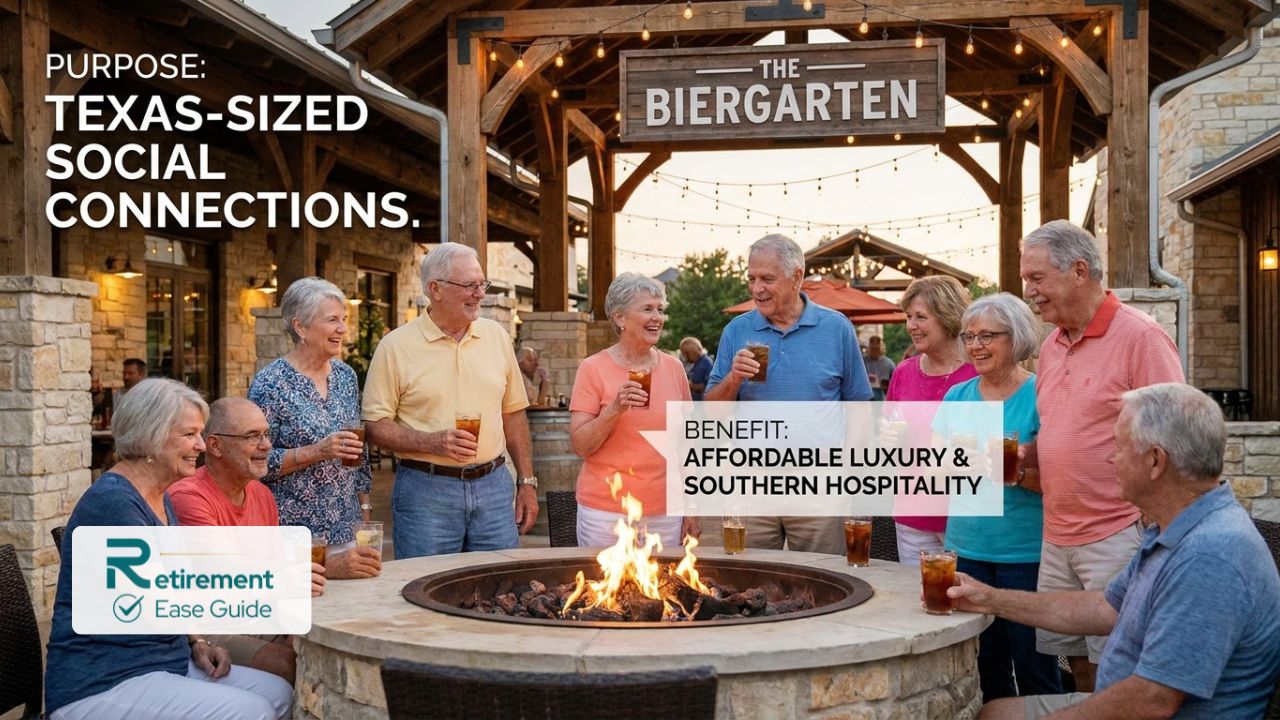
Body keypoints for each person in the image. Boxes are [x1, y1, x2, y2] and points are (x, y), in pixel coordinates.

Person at [951, 383, 1280, 719]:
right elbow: (1104, 606)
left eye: (1119, 447)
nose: (1109, 457)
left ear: (1155, 461)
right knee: (993, 712)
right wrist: (989, 599)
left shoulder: (1209, 555)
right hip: (1130, 697)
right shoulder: (1177, 526)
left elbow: (1152, 701)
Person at [45, 378, 292, 720]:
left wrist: (197, 641)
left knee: (280, 693)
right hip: (104, 680)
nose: (202, 446)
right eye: (189, 435)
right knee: (253, 711)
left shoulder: (159, 496)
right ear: (152, 435)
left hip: (164, 661)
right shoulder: (113, 504)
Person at [1019, 220, 1184, 692]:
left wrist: (1155, 524)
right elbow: (1065, 429)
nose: (1028, 290)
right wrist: (1029, 454)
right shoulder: (1051, 347)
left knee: (1120, 665)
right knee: (1076, 663)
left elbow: (1174, 437)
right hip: (1057, 533)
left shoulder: (1140, 337)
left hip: (1117, 531)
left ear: (1078, 271)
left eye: (1037, 278)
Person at [363, 244, 538, 558]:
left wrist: (526, 481)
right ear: (435, 289)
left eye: (481, 284)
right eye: (469, 285)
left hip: (494, 487)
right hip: (426, 491)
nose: (479, 294)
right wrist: (433, 442)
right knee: (425, 589)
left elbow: (513, 414)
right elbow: (374, 427)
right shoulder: (395, 347)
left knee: (500, 590)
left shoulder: (496, 336)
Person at [706, 234, 873, 554]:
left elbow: (859, 406)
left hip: (818, 487)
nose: (757, 289)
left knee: (823, 581)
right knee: (749, 580)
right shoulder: (737, 330)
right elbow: (712, 413)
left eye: (767, 279)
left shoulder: (836, 328)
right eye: (751, 279)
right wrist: (733, 379)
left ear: (797, 277)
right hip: (752, 485)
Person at [167, 398, 339, 685]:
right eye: (252, 436)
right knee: (298, 665)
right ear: (215, 446)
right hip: (206, 626)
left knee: (318, 650)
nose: (267, 445)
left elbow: (271, 573)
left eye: (266, 434)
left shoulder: (261, 494)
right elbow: (224, 577)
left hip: (254, 611)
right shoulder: (188, 497)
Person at [940, 293, 1060, 701]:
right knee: (985, 670)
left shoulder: (1042, 395)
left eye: (987, 336)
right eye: (968, 336)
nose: (975, 346)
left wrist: (1018, 474)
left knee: (1036, 669)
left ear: (1018, 337)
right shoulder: (957, 397)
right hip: (967, 548)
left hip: (1025, 555)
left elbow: (1064, 480)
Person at [569, 274, 698, 548]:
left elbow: (687, 445)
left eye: (660, 310)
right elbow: (580, 445)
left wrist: (690, 506)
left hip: (664, 512)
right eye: (647, 309)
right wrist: (614, 409)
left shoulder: (674, 369)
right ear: (620, 318)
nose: (657, 318)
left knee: (663, 590)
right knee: (603, 590)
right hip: (606, 513)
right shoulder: (593, 369)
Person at [249, 277, 376, 553]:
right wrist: (318, 450)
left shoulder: (346, 376)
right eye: (332, 320)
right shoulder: (271, 383)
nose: (342, 329)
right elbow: (254, 461)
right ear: (300, 327)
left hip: (348, 526)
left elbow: (359, 456)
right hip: (294, 533)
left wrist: (365, 517)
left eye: (343, 319)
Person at [885, 275, 977, 564]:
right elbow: (889, 441)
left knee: (966, 601)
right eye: (909, 316)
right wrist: (887, 440)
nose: (911, 325)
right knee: (918, 598)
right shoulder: (903, 372)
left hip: (964, 515)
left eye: (921, 317)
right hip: (913, 512)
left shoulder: (978, 373)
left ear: (948, 318)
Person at [679, 337, 713, 401]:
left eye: (686, 354)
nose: (685, 357)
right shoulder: (697, 362)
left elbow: (709, 386)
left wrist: (691, 385)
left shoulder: (706, 363)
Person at [862, 335, 895, 401]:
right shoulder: (863, 361)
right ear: (869, 348)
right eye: (872, 348)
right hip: (865, 396)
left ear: (881, 348)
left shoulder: (889, 363)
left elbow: (895, 382)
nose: (874, 351)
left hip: (882, 396)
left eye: (877, 348)